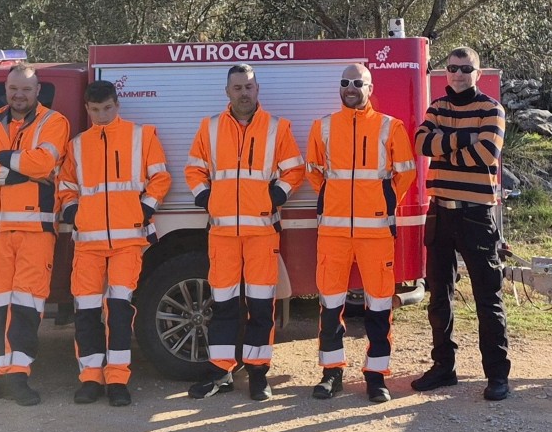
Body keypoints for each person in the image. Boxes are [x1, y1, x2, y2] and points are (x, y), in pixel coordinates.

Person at [186, 63, 304, 401]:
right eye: (237, 88)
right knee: (223, 305)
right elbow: (194, 169)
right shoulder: (209, 127)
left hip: (262, 234)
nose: (243, 93)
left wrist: (274, 196)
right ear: (227, 92)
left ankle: (257, 374)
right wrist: (206, 198)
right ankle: (220, 372)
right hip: (222, 234)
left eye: (249, 87)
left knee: (261, 307)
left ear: (257, 89)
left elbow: (295, 169)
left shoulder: (277, 127)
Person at [305, 64, 415, 403]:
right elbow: (314, 171)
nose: (350, 87)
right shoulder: (323, 126)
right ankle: (331, 373)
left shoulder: (390, 126)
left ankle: (376, 376)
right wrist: (332, 200)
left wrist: (384, 202)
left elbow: (406, 173)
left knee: (379, 305)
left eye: (358, 82)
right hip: (333, 233)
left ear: (370, 88)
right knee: (330, 304)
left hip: (376, 232)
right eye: (345, 82)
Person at [58, 81, 170, 407]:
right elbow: (65, 186)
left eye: (107, 108)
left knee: (119, 312)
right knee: (86, 312)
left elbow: (160, 177)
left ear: (117, 105)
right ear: (87, 109)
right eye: (95, 110)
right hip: (88, 243)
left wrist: (144, 208)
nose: (102, 115)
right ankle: (91, 379)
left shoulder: (141, 136)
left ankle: (118, 380)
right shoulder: (77, 145)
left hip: (127, 242)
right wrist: (74, 212)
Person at [411, 47, 511, 401]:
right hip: (439, 213)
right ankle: (444, 368)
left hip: (476, 215)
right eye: (452, 68)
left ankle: (497, 375)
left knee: (488, 297)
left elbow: (485, 154)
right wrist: (464, 140)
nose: (457, 74)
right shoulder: (437, 107)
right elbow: (421, 143)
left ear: (477, 74)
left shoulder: (491, 109)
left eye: (466, 69)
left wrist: (443, 148)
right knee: (439, 296)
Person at [0, 63, 69, 406]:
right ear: (6, 89)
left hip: (35, 228)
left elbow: (44, 164)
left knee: (27, 305)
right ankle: (1, 374)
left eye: (26, 89)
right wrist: (19, 172)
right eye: (13, 88)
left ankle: (19, 376)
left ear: (38, 91)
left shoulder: (54, 121)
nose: (19, 95)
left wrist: (2, 157)